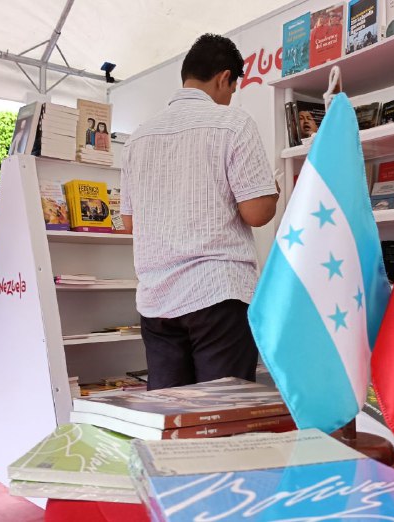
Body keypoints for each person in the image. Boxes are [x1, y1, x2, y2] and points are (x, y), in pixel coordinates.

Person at [120, 34, 278, 391]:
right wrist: (275, 192)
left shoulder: (138, 138)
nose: (229, 98)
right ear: (224, 78)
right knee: (221, 415)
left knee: (172, 418)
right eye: (232, 88)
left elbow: (130, 221)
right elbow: (256, 212)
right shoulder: (233, 123)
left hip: (157, 298)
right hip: (217, 293)